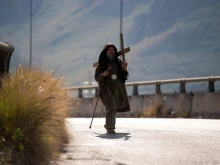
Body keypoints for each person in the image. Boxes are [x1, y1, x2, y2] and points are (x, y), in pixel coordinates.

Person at [94, 43, 130, 134]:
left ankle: (108, 124)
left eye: (113, 50)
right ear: (105, 52)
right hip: (107, 89)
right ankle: (110, 127)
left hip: (118, 88)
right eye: (109, 50)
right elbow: (97, 77)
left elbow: (124, 75)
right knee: (111, 107)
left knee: (114, 107)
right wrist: (103, 74)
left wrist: (124, 69)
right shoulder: (101, 64)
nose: (111, 51)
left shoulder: (119, 61)